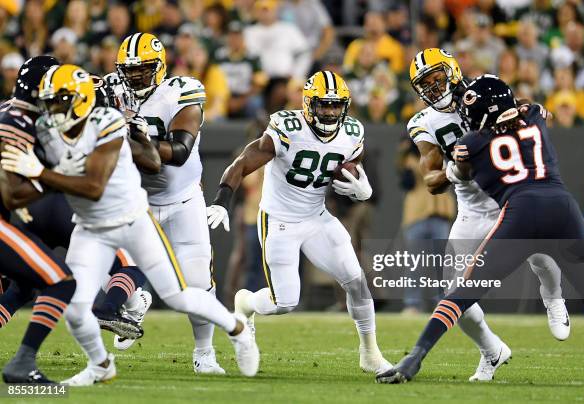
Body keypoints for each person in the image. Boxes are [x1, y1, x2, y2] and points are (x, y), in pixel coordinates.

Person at [0, 64, 259, 385]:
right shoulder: (48, 132)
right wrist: (26, 183)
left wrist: (40, 173)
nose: (52, 110)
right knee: (77, 311)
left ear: (81, 101)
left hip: (131, 221)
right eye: (50, 101)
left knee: (179, 295)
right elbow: (31, 189)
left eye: (60, 102)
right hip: (90, 227)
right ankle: (101, 366)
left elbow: (94, 184)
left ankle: (236, 329)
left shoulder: (106, 122)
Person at [377, 76, 584, 384]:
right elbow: (536, 110)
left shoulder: (469, 145)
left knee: (461, 293)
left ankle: (415, 356)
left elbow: (458, 166)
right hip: (562, 208)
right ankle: (493, 348)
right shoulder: (534, 116)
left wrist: (455, 166)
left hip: (518, 213)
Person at [207, 70, 392, 374]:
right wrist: (223, 199)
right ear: (308, 104)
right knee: (284, 302)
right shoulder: (287, 127)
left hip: (317, 216)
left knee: (356, 281)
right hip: (279, 219)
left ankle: (370, 353)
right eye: (323, 105)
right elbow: (244, 161)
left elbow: (351, 166)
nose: (330, 112)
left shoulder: (351, 131)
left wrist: (363, 186)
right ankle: (245, 304)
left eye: (336, 105)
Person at [404, 48, 569, 381]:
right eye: (426, 84)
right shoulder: (423, 122)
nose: (434, 89)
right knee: (451, 294)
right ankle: (492, 351)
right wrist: (453, 172)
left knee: (540, 256)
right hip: (472, 210)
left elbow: (530, 111)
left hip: (511, 194)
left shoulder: (481, 91)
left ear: (451, 70)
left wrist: (531, 111)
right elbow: (430, 179)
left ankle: (553, 298)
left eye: (437, 78)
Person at [112, 32, 227, 374]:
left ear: (160, 67)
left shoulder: (181, 91)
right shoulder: (110, 91)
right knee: (102, 262)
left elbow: (177, 153)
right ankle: (136, 302)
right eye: (128, 70)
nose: (134, 77)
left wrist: (132, 136)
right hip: (135, 200)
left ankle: (204, 353)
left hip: (182, 200)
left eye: (142, 69)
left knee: (196, 282)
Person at [0, 55, 77, 384]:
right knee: (60, 280)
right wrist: (53, 176)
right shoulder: (18, 121)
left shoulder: (6, 109)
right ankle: (22, 365)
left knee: (14, 283)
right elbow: (12, 193)